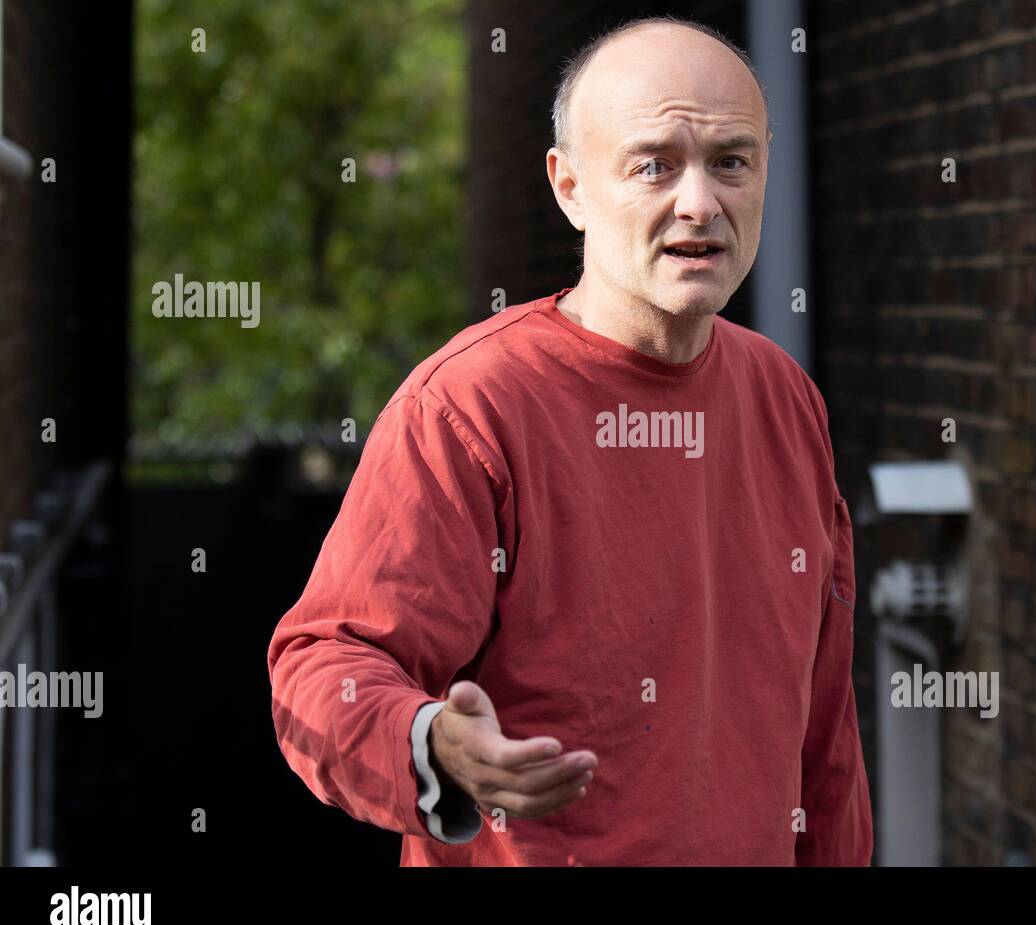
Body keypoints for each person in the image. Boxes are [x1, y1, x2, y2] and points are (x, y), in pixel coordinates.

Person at [267, 14, 873, 866]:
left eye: (731, 161)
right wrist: (430, 741)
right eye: (653, 163)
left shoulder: (785, 399)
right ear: (570, 187)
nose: (699, 200)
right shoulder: (469, 408)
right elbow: (326, 662)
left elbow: (824, 732)